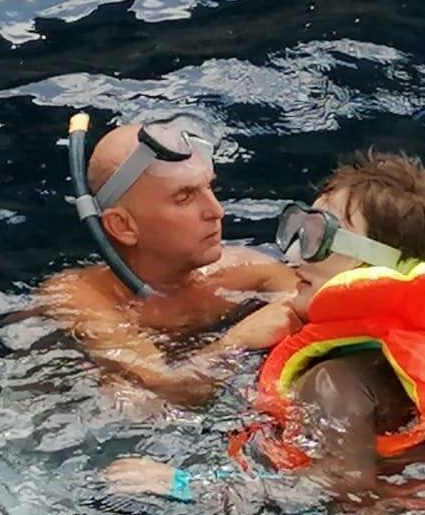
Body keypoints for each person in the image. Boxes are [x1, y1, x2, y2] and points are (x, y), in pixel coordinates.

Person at [109, 151, 425, 498]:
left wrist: (183, 483)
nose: (295, 256)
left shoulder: (332, 384)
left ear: (373, 265)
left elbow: (338, 485)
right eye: (300, 230)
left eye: (318, 237)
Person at [40, 118, 302, 407]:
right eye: (185, 197)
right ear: (123, 226)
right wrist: (237, 342)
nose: (216, 211)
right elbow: (171, 389)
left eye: (210, 188)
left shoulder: (245, 271)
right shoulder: (77, 297)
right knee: (132, 401)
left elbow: (321, 300)